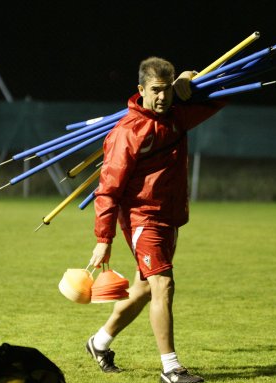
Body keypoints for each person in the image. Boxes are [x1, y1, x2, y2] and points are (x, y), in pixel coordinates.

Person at [85, 57, 226, 383]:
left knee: (145, 288)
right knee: (163, 284)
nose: (162, 97)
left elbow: (220, 98)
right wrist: (103, 239)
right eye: (156, 91)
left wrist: (196, 82)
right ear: (141, 90)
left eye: (167, 90)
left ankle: (99, 342)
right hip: (142, 219)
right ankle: (171, 368)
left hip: (168, 216)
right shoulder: (127, 132)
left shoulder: (177, 117)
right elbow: (107, 191)